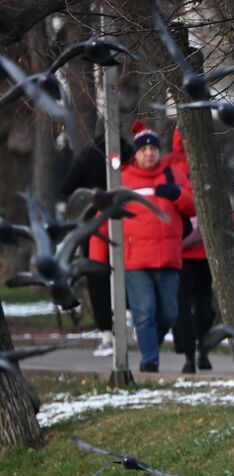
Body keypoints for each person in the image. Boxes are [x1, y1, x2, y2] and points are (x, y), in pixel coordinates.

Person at [87, 123, 195, 373]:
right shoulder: (122, 179)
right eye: (143, 149)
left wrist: (177, 195)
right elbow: (103, 220)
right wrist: (97, 260)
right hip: (136, 261)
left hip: (169, 259)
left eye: (153, 148)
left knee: (169, 314)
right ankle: (149, 362)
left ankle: (150, 346)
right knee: (144, 312)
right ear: (135, 154)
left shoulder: (173, 176)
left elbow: (191, 208)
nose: (149, 153)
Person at [61, 127, 131, 358]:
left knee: (98, 279)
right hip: (127, 224)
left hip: (93, 227)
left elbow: (67, 188)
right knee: (127, 271)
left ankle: (106, 335)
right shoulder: (130, 154)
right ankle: (129, 318)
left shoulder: (88, 156)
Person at [166, 128, 215, 374]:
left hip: (181, 248)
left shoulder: (169, 166)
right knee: (203, 301)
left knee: (183, 303)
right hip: (205, 248)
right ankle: (202, 350)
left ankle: (189, 354)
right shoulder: (208, 160)